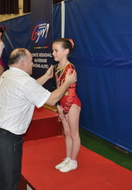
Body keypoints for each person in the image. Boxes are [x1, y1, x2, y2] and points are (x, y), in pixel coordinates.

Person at [0, 48, 77, 190]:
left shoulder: (8, 74)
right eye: (31, 61)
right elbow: (52, 100)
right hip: (7, 138)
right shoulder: (23, 81)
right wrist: (67, 82)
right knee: (10, 180)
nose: (33, 64)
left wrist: (46, 77)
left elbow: (29, 89)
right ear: (23, 63)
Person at [52, 38, 81, 173]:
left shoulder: (70, 68)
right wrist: (58, 105)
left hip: (72, 103)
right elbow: (58, 87)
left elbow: (72, 91)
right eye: (53, 50)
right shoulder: (58, 67)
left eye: (56, 51)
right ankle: (68, 158)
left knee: (74, 134)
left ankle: (73, 161)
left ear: (66, 51)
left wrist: (66, 109)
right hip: (63, 104)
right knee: (67, 133)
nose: (53, 53)